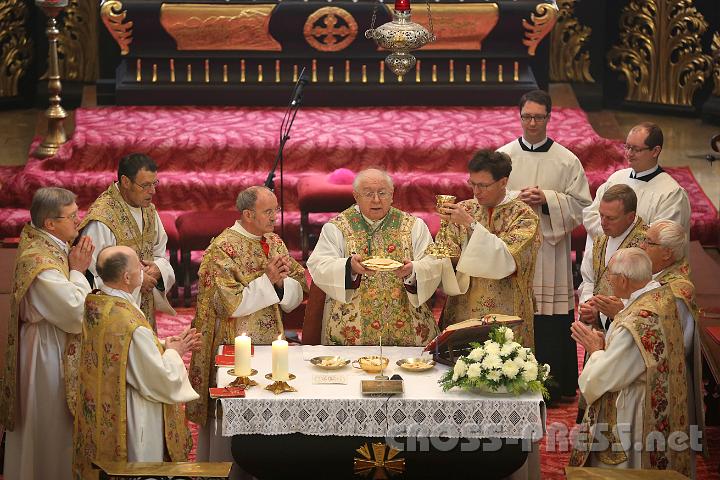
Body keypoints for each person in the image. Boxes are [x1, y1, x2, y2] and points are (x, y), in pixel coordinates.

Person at [187, 186, 307, 458]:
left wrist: (280, 285)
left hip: (268, 341)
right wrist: (268, 282)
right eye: (268, 211)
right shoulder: (222, 248)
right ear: (247, 214)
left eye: (276, 209)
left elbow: (296, 291)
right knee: (231, 430)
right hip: (233, 343)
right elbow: (230, 304)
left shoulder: (274, 241)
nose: (275, 216)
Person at [497, 89, 592, 400]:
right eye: (527, 117)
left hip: (550, 253)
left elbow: (582, 206)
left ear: (549, 118)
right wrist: (515, 199)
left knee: (549, 319)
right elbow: (485, 198)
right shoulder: (503, 157)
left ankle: (554, 386)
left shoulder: (566, 160)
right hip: (513, 253)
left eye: (539, 117)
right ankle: (507, 378)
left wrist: (548, 200)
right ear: (520, 116)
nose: (533, 123)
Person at [73, 246, 199, 479]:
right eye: (138, 266)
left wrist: (160, 344)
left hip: (108, 407)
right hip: (135, 413)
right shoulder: (131, 323)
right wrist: (174, 352)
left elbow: (123, 352)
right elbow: (161, 379)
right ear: (127, 277)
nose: (144, 269)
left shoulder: (98, 303)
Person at [569, 248, 693, 476]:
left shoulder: (635, 324)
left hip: (635, 411)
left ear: (624, 280)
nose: (608, 281)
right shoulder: (659, 298)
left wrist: (595, 350)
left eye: (611, 276)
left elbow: (604, 378)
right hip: (660, 399)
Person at [0, 187, 94, 480]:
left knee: (58, 430)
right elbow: (74, 313)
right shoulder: (39, 260)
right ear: (50, 224)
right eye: (71, 217)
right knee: (50, 429)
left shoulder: (52, 245)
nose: (77, 222)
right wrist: (78, 271)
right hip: (46, 351)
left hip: (54, 343)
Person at [307, 168, 441, 346]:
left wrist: (413, 271)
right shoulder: (337, 227)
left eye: (382, 193)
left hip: (409, 326)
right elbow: (319, 265)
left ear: (392, 194)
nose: (376, 200)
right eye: (368, 193)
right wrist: (349, 267)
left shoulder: (414, 226)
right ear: (356, 196)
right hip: (351, 333)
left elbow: (434, 262)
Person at [437, 150, 541, 347]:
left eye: (483, 185)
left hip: (506, 312)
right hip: (463, 309)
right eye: (472, 184)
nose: (476, 192)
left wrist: (471, 225)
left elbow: (506, 261)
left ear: (503, 182)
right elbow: (449, 253)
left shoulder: (524, 216)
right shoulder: (464, 209)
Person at [80, 153, 176, 327]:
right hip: (115, 318)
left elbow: (160, 251)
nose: (153, 191)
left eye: (154, 183)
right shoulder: (102, 218)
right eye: (145, 185)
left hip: (144, 309)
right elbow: (93, 274)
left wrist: (158, 270)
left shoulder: (148, 210)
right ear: (125, 182)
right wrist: (139, 279)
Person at [641, 220, 707, 463]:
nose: (642, 246)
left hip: (669, 381)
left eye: (649, 242)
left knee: (665, 455)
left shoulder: (676, 290)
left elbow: (676, 342)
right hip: (659, 375)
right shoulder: (661, 278)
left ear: (667, 252)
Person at [583, 122, 691, 240]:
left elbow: (662, 239)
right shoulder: (616, 178)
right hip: (604, 255)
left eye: (636, 149)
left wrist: (618, 235)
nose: (629, 154)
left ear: (655, 151)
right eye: (627, 147)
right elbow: (591, 216)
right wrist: (611, 232)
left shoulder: (671, 194)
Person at [578, 185, 647, 331]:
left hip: (627, 328)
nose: (602, 222)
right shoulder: (600, 241)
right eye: (601, 215)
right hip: (598, 330)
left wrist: (609, 312)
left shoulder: (647, 245)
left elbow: (648, 293)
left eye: (610, 218)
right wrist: (588, 304)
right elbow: (589, 280)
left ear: (630, 217)